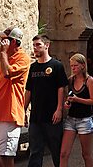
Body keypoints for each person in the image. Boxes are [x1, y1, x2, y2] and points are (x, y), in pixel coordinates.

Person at [0, 26, 31, 167]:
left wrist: (2, 53)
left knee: (6, 156)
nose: (1, 42)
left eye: (4, 40)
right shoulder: (5, 58)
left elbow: (8, 73)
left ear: (13, 42)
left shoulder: (23, 59)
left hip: (9, 116)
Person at [24, 35, 67, 167]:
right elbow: (29, 90)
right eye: (34, 45)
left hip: (52, 117)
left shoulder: (57, 66)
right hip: (36, 118)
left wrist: (59, 110)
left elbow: (61, 89)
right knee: (35, 151)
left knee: (56, 150)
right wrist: (23, 110)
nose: (35, 48)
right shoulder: (33, 68)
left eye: (38, 45)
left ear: (47, 45)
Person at [60, 53, 93, 167]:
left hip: (84, 120)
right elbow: (69, 97)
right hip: (71, 119)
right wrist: (67, 103)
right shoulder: (70, 80)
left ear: (82, 66)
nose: (73, 68)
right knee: (63, 153)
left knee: (86, 154)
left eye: (75, 66)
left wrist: (78, 100)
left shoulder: (89, 80)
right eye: (71, 66)